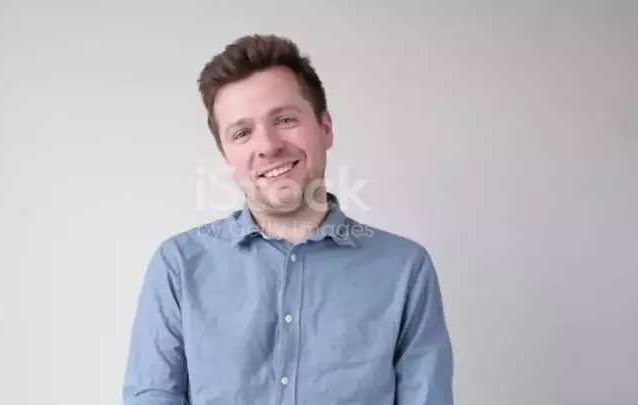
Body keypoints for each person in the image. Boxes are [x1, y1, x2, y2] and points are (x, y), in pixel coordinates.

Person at [122, 34, 454, 405]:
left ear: (325, 128)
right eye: (242, 133)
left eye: (284, 119)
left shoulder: (405, 270)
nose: (268, 145)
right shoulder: (178, 267)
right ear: (227, 155)